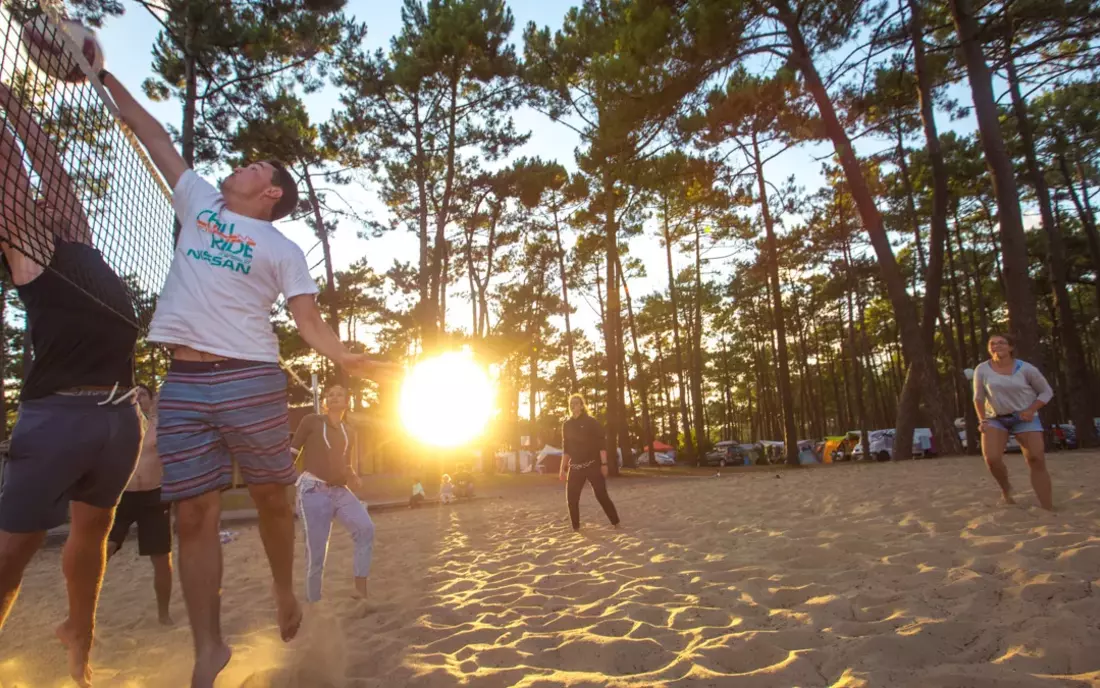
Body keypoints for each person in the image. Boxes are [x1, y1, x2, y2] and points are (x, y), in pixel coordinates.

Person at [101, 71, 396, 687]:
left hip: (251, 378)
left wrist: (347, 357)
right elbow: (151, 134)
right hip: (182, 382)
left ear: (271, 194)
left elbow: (308, 321)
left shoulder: (282, 247)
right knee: (192, 517)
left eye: (259, 166)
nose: (244, 165)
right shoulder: (199, 201)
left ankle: (285, 593)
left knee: (270, 498)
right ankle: (209, 647)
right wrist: (103, 75)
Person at [0, 84, 142, 687]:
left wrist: (18, 104)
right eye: (33, 200)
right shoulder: (29, 251)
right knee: (13, 553)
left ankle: (78, 642)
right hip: (58, 419)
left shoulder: (82, 246)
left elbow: (52, 175)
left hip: (119, 422)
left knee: (93, 537)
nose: (43, 196)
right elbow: (12, 177)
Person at [291, 385, 374, 602]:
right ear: (325, 402)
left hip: (340, 490)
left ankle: (360, 592)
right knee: (316, 555)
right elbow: (292, 451)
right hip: (313, 490)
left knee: (366, 529)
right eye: (330, 394)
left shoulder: (350, 432)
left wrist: (353, 475)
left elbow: (345, 463)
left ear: (346, 402)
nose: (334, 396)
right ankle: (314, 605)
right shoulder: (311, 421)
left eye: (339, 393)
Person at [107, 384, 174, 626]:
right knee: (105, 549)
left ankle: (164, 615)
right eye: (133, 396)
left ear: (151, 399)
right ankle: (82, 609)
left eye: (142, 395)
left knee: (161, 558)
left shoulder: (161, 426)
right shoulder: (120, 425)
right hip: (123, 497)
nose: (138, 399)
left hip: (153, 498)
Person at [973, 333, 1055, 510]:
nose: (997, 346)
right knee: (992, 459)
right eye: (992, 344)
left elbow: (1046, 392)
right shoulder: (982, 369)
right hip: (995, 418)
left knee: (1036, 458)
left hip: (1024, 417)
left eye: (1001, 343)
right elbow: (978, 397)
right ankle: (1006, 490)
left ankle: (1047, 506)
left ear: (1010, 347)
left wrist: (1031, 410)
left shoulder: (1026, 369)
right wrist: (982, 420)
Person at [559, 394, 620, 531]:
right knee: (571, 499)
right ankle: (576, 527)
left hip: (593, 465)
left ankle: (615, 522)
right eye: (571, 403)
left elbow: (601, 444)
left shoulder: (591, 422)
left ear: (582, 405)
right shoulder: (566, 425)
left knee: (601, 495)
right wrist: (562, 468)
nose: (573, 405)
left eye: (576, 403)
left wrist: (604, 464)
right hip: (575, 466)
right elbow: (566, 448)